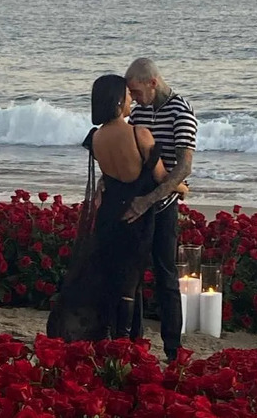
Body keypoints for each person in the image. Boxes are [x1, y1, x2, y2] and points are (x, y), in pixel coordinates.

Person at [46, 74, 188, 342]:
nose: (132, 99)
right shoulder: (139, 134)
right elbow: (161, 177)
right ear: (119, 100)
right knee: (130, 283)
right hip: (138, 217)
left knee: (116, 279)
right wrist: (183, 188)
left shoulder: (96, 138)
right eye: (128, 94)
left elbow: (110, 177)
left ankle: (114, 337)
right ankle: (126, 342)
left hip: (110, 215)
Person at [123, 58, 198, 363]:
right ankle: (135, 340)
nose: (134, 99)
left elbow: (184, 168)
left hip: (163, 203)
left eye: (137, 92)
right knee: (134, 275)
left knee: (166, 276)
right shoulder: (139, 111)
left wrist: (150, 199)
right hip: (139, 199)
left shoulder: (182, 112)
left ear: (152, 82)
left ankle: (173, 347)